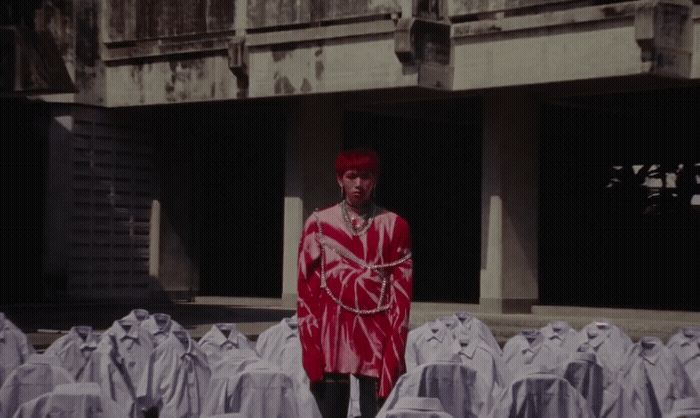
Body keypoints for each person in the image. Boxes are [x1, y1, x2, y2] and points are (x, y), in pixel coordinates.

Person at [297, 148, 413, 418]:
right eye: (351, 176)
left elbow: (402, 294)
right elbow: (306, 292)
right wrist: (310, 347)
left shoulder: (395, 226)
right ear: (340, 180)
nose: (358, 184)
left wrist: (395, 351)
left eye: (366, 176)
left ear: (375, 180)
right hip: (332, 334)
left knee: (379, 414)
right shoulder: (319, 224)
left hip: (377, 335)